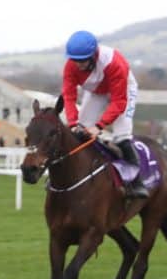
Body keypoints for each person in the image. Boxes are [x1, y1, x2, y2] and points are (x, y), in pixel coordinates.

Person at [60, 30, 148, 199]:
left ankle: (137, 182)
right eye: (75, 60)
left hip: (123, 91)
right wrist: (72, 123)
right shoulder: (70, 66)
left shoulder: (114, 63)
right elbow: (69, 96)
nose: (78, 65)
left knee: (121, 136)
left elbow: (119, 102)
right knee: (80, 132)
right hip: (96, 92)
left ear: (93, 55)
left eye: (82, 61)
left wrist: (100, 126)